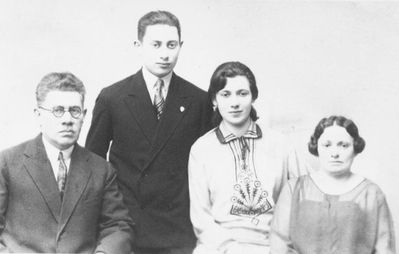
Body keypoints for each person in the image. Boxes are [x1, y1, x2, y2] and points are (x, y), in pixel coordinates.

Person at [85, 10, 212, 254]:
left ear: (180, 46)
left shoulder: (198, 100)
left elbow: (208, 166)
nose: (165, 54)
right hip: (126, 225)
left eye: (171, 45)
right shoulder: (113, 97)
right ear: (138, 45)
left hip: (179, 227)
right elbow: (93, 164)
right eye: (156, 45)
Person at [0, 72, 134, 253]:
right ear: (38, 115)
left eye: (74, 111)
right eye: (58, 111)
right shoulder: (7, 163)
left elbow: (118, 226)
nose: (67, 120)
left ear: (84, 115)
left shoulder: (101, 169)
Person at [188, 61, 308, 254]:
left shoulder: (281, 145)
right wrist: (230, 248)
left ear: (253, 96)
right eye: (225, 94)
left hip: (273, 246)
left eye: (242, 93)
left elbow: (305, 202)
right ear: (214, 100)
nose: (234, 102)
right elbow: (201, 218)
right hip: (220, 249)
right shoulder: (201, 149)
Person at [270, 115, 396, 254]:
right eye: (327, 145)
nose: (335, 153)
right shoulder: (294, 190)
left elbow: (384, 248)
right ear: (316, 146)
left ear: (355, 148)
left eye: (343, 145)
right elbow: (279, 244)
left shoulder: (371, 193)